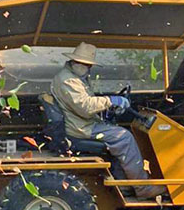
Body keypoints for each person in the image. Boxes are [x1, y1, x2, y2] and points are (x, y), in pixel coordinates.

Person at [51, 42, 166, 199]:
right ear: (75, 62)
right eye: (86, 65)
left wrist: (108, 105)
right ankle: (142, 187)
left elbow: (84, 103)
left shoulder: (74, 78)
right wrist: (110, 101)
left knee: (116, 133)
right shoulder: (67, 80)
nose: (88, 68)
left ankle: (124, 185)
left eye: (89, 65)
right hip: (80, 128)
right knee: (124, 138)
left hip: (82, 123)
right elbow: (85, 106)